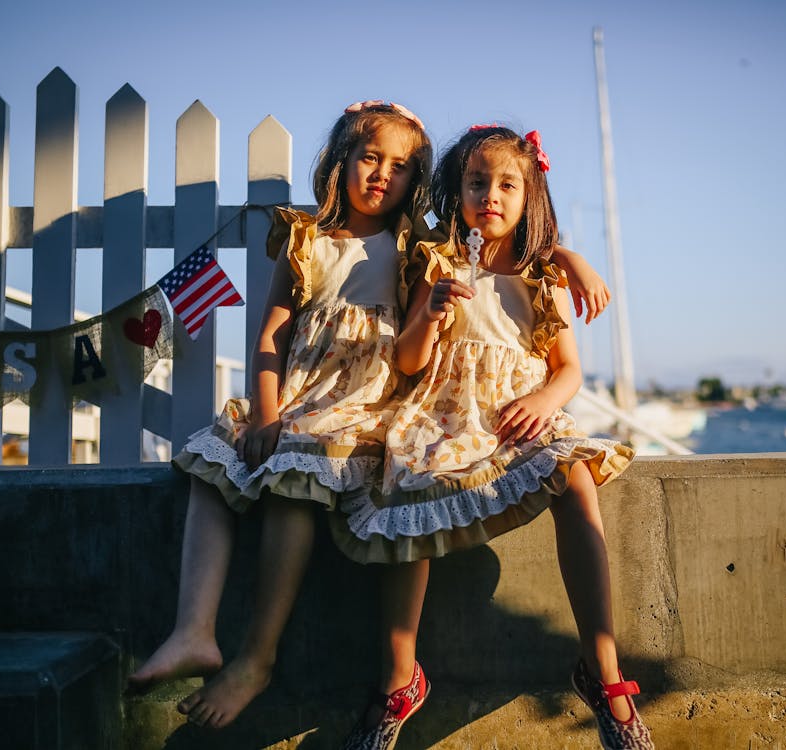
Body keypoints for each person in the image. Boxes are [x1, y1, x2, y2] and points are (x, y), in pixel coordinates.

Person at [127, 103, 611, 732]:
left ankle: (257, 658)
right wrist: (268, 410)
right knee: (213, 465)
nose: (384, 175)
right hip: (329, 404)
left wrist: (567, 259)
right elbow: (292, 338)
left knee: (302, 481)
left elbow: (544, 332)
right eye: (371, 158)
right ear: (341, 163)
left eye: (403, 166)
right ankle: (199, 631)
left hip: (399, 410)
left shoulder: (455, 255)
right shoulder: (353, 247)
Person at [333, 125, 653, 750]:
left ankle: (604, 672)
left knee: (576, 477)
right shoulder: (440, 263)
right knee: (410, 489)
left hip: (518, 416)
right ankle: (399, 677)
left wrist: (542, 398)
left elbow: (569, 371)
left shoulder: (541, 274)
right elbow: (406, 362)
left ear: (529, 193)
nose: (491, 196)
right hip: (446, 415)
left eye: (508, 184)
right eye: (477, 182)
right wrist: (429, 316)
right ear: (458, 189)